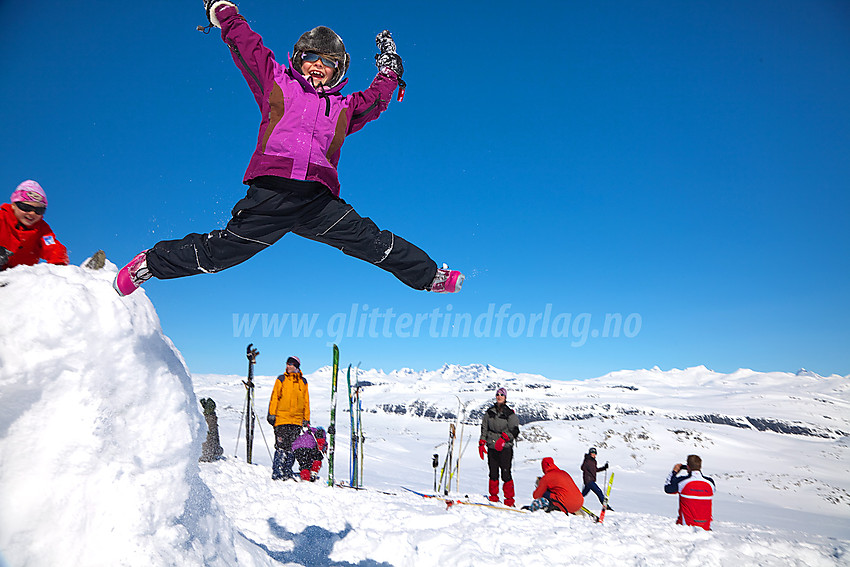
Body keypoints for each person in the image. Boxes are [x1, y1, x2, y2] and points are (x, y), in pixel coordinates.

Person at [113, 0, 463, 297]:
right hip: (272, 194)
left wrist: (389, 68)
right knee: (221, 252)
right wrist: (223, 10)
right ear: (298, 58)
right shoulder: (276, 82)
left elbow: (377, 99)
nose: (317, 66)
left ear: (338, 71)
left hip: (318, 201)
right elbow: (247, 45)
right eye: (311, 57)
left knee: (371, 241)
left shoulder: (345, 107)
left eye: (327, 62)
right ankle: (151, 263)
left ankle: (430, 275)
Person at [1, 180, 68, 271]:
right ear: (13, 205)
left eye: (38, 210)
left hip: (20, 277)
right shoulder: (2, 218)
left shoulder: (42, 229)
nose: (32, 213)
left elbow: (53, 247)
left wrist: (59, 264)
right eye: (26, 208)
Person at [267, 356, 310, 480]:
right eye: (287, 364)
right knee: (281, 446)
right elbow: (275, 397)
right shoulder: (281, 379)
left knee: (292, 447)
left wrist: (306, 418)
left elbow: (306, 401)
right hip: (282, 419)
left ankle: (287, 471)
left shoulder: (303, 382)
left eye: (291, 364)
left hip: (296, 421)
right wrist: (272, 414)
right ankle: (277, 471)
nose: (288, 366)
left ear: (296, 366)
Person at [479, 387, 520, 506]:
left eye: (502, 394)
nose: (499, 396)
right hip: (492, 445)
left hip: (505, 448)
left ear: (505, 397)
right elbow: (484, 427)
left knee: (506, 473)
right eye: (497, 394)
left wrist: (504, 438)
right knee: (493, 472)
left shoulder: (509, 414)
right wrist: (482, 442)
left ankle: (509, 500)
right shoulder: (489, 412)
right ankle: (493, 497)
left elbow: (515, 430)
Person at [664, 454, 715, 531]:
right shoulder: (710, 483)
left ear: (687, 467)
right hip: (705, 527)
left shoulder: (682, 482)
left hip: (685, 527)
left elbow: (668, 488)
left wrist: (674, 472)